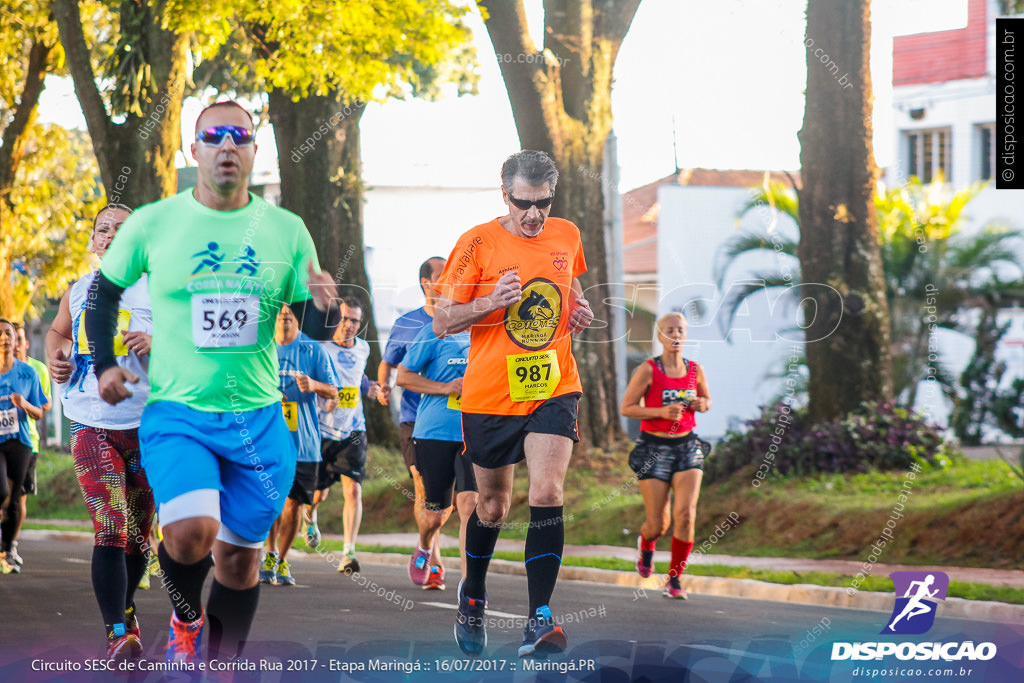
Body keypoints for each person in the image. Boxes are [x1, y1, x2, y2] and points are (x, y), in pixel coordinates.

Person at [86, 101, 339, 666]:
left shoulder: (286, 230)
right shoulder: (154, 223)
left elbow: (310, 323)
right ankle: (185, 615)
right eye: (213, 135)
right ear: (191, 149)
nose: (227, 145)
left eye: (240, 136)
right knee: (190, 533)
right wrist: (104, 363)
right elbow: (103, 295)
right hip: (180, 414)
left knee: (240, 563)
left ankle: (220, 667)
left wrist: (326, 304)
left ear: (254, 149)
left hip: (259, 419)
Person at [433, 150, 594, 657]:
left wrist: (579, 307)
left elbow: (569, 284)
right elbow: (442, 320)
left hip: (552, 384)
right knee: (494, 506)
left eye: (543, 203)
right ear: (505, 195)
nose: (534, 215)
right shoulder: (476, 242)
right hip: (490, 393)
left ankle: (539, 618)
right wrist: (489, 302)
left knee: (547, 491)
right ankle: (473, 594)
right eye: (524, 203)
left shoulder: (566, 233)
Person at [45, 203, 156, 659]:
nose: (110, 235)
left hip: (150, 425)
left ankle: (125, 613)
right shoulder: (78, 290)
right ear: (93, 242)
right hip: (91, 421)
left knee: (137, 536)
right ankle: (116, 632)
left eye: (122, 229)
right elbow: (56, 333)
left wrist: (157, 343)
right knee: (110, 527)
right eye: (102, 229)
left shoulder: (161, 291)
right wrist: (56, 356)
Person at [620, 312, 711, 600]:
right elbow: (627, 407)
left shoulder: (695, 369)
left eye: (680, 330)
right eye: (669, 330)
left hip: (687, 446)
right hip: (654, 449)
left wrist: (701, 403)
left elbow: (707, 400)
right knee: (659, 524)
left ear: (686, 335)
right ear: (660, 336)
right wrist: (660, 411)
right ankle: (647, 544)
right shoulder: (648, 370)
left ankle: (675, 579)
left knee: (686, 515)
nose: (675, 334)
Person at [261, 305, 338, 586]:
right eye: (279, 307)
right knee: (271, 501)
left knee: (294, 504)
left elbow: (334, 390)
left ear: (297, 315)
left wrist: (314, 384)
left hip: (303, 443)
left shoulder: (313, 349)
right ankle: (268, 554)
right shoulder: (261, 348)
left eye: (289, 308)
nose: (284, 312)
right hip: (266, 440)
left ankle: (282, 559)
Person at [396, 323, 475, 591]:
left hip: (474, 434)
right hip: (435, 433)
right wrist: (446, 387)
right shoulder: (435, 332)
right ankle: (424, 544)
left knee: (471, 506)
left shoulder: (489, 331)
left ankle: (471, 586)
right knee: (436, 516)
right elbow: (403, 376)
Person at [314, 297, 379, 574]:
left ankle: (348, 552)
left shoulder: (363, 348)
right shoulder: (320, 347)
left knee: (353, 488)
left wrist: (371, 388)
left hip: (353, 429)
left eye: (354, 320)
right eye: (344, 318)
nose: (349, 325)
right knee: (318, 493)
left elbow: (358, 378)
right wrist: (324, 397)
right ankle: (311, 513)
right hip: (321, 430)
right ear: (335, 320)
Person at [0, 319, 47, 576]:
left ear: (17, 340)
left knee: (15, 497)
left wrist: (24, 405)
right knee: (1, 490)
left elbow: (40, 410)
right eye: (0, 334)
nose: (5, 338)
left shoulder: (28, 373)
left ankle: (6, 550)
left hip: (20, 442)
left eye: (9, 334)